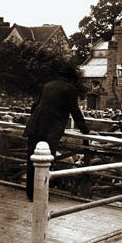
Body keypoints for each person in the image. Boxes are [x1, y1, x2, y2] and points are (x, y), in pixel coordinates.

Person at [23, 65, 95, 202]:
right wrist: (86, 130)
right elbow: (75, 112)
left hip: (35, 125)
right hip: (51, 129)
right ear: (71, 79)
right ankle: (41, 194)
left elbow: (35, 106)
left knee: (32, 159)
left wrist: (32, 121)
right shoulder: (70, 89)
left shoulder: (47, 85)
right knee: (46, 161)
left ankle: (31, 193)